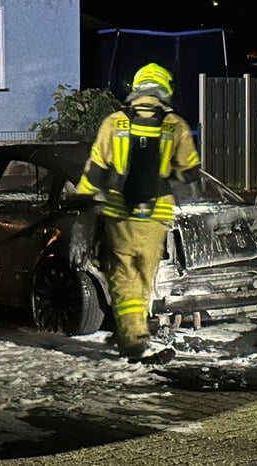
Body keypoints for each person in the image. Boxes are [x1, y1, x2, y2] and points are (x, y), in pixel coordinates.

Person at [76, 63, 201, 360]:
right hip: (156, 215)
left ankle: (132, 337)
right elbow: (190, 173)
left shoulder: (115, 122)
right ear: (164, 89)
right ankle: (133, 333)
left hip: (120, 212)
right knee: (144, 277)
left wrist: (83, 198)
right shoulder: (176, 125)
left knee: (123, 276)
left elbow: (96, 169)